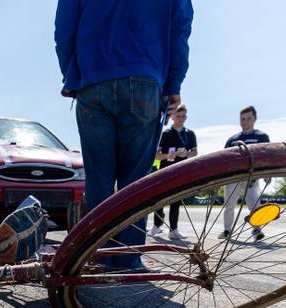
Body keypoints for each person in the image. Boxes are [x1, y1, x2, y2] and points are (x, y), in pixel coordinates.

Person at [55, 0, 193, 269]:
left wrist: (70, 76)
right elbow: (180, 29)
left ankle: (98, 257)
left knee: (98, 180)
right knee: (135, 182)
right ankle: (128, 259)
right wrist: (174, 83)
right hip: (145, 77)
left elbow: (64, 30)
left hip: (93, 81)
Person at [221, 105, 271, 241]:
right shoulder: (232, 139)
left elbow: (266, 156)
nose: (245, 121)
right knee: (229, 205)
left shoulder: (262, 136)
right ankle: (227, 230)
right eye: (242, 119)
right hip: (233, 177)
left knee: (254, 203)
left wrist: (267, 173)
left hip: (252, 176)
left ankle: (257, 229)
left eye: (249, 118)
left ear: (255, 119)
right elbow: (223, 159)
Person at [149, 104, 197, 240]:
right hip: (165, 171)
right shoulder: (166, 133)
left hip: (182, 171)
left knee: (176, 200)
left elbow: (195, 152)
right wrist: (168, 156)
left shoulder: (190, 134)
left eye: (183, 116)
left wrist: (187, 154)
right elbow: (156, 155)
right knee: (160, 199)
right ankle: (157, 225)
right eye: (178, 116)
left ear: (186, 117)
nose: (180, 119)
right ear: (173, 117)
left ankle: (173, 229)